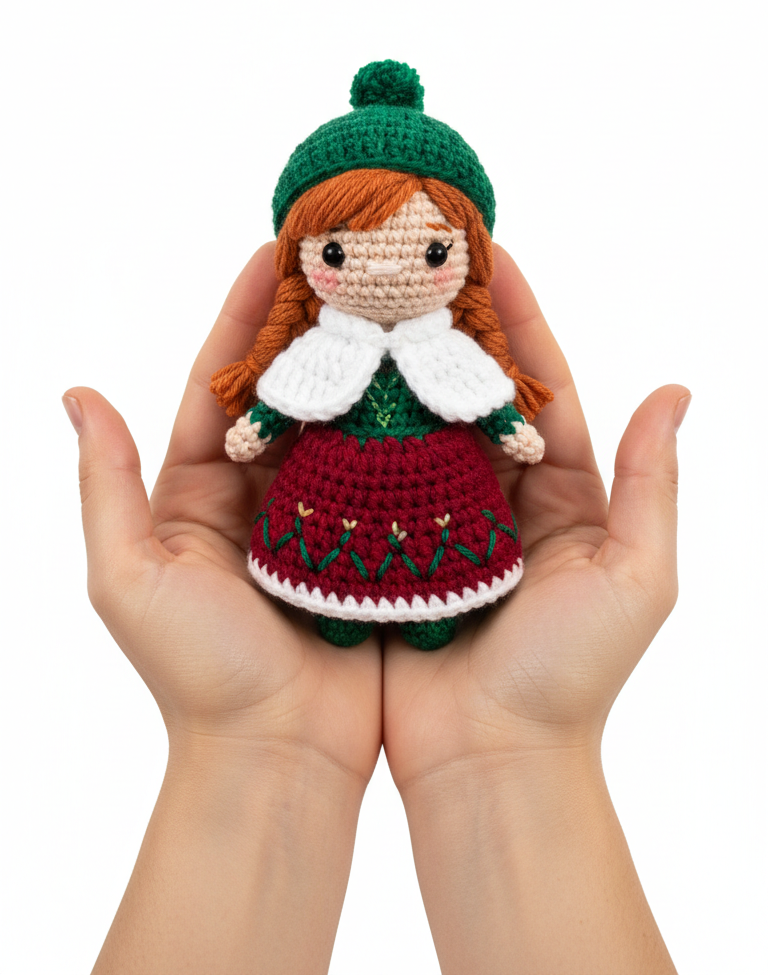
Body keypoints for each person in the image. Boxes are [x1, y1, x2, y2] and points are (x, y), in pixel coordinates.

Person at [64, 239, 685, 975]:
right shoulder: (320, 354)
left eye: (429, 250)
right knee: (327, 568)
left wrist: (514, 428)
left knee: (443, 569)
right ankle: (332, 611)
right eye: (339, 249)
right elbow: (279, 402)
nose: (387, 268)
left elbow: (489, 404)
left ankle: (438, 612)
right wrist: (254, 427)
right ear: (310, 258)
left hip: (444, 503)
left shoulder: (449, 355)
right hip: (328, 501)